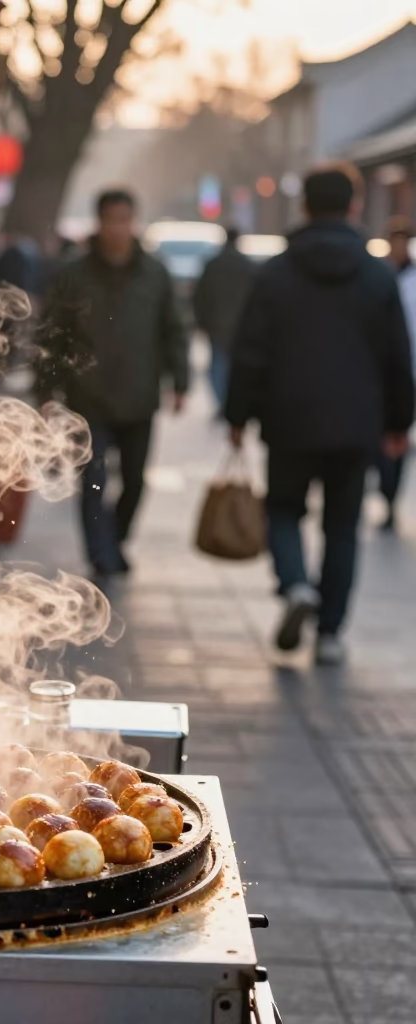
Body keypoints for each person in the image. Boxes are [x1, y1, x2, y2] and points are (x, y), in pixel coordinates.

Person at [225, 165, 414, 665]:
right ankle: (330, 633)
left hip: (289, 419)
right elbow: (398, 354)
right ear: (353, 206)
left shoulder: (277, 272)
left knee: (284, 509)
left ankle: (294, 587)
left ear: (303, 206)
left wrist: (237, 414)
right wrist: (399, 423)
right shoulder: (377, 275)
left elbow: (250, 351)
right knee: (343, 526)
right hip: (357, 425)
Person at [37, 188, 188, 578]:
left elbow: (173, 329)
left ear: (133, 222)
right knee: (94, 479)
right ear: (99, 223)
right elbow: (52, 336)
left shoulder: (154, 272)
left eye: (125, 220)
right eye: (111, 220)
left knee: (135, 482)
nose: (118, 229)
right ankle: (99, 553)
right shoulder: (74, 274)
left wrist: (181, 380)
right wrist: (46, 391)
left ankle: (115, 537)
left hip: (139, 394)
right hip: (88, 396)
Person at [377, 217, 416, 530]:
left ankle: (390, 497)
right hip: (377, 375)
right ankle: (382, 488)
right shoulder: (375, 277)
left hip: (407, 373)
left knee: (396, 437)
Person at [193, 226, 256, 410]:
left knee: (219, 364)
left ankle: (223, 401)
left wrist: (201, 320)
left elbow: (200, 295)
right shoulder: (246, 265)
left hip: (216, 323)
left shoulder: (213, 264)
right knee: (232, 365)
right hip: (239, 323)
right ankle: (229, 402)